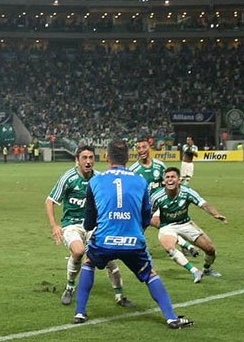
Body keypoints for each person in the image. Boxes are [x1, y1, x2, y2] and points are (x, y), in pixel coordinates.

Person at [73, 139, 192, 329]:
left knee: (89, 263)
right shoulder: (140, 181)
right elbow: (147, 215)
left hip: (105, 240)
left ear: (107, 157)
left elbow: (89, 220)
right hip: (133, 241)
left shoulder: (95, 181)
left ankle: (80, 312)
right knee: (150, 274)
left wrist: (96, 227)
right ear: (128, 158)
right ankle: (171, 317)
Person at [45, 145, 133, 307]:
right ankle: (70, 287)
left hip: (94, 225)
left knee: (109, 256)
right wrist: (54, 226)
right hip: (72, 225)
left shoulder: (99, 179)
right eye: (84, 158)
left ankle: (119, 295)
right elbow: (50, 201)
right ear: (76, 161)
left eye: (91, 158)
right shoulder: (69, 178)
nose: (88, 161)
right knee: (78, 252)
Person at [151, 167, 227, 283]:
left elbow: (203, 204)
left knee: (210, 250)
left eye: (173, 177)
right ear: (163, 181)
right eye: (167, 177)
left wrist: (216, 214)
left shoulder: (187, 192)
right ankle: (195, 271)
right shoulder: (157, 196)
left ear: (179, 180)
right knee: (170, 249)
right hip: (167, 227)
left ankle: (206, 269)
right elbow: (147, 213)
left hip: (185, 224)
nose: (170, 180)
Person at [129, 138, 199, 257]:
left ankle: (185, 245)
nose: (141, 150)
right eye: (139, 148)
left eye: (144, 147)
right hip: (142, 206)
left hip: (159, 204)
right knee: (138, 232)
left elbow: (168, 183)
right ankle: (183, 244)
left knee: (160, 223)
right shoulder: (133, 170)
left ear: (149, 148)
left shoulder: (160, 166)